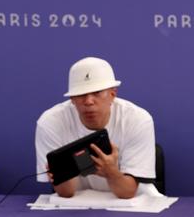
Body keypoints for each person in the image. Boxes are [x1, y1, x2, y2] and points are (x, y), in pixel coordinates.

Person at [35, 57, 156, 199]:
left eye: (97, 92)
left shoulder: (137, 119)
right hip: (77, 205)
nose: (89, 101)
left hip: (132, 204)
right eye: (81, 94)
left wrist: (111, 173)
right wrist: (61, 175)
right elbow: (65, 193)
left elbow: (127, 193)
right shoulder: (50, 123)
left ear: (112, 94)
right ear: (72, 99)